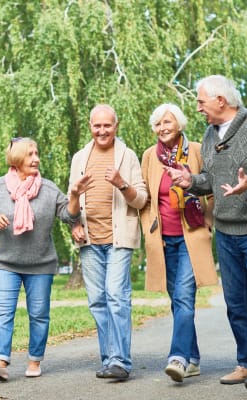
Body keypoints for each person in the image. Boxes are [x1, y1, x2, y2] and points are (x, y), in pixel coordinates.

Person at [164, 75, 247, 393]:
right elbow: (212, 179)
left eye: (201, 101)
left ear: (220, 101)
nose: (198, 108)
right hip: (226, 230)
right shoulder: (210, 134)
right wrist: (191, 181)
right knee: (235, 301)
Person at [0, 137, 92, 382]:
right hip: (4, 262)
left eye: (37, 153)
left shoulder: (48, 189)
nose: (36, 158)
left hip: (40, 264)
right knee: (2, 312)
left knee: (39, 313)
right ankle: (0, 361)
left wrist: (73, 196)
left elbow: (69, 216)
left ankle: (34, 359)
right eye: (30, 154)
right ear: (17, 159)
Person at [68, 104, 147, 380]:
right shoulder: (79, 158)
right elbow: (71, 204)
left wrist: (122, 184)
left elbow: (141, 200)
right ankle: (109, 359)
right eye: (97, 125)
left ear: (116, 126)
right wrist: (74, 223)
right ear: (91, 126)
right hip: (89, 239)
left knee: (116, 295)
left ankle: (121, 361)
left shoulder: (127, 156)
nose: (102, 130)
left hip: (118, 238)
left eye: (107, 125)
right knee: (97, 301)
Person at [140, 104, 218, 383]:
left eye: (167, 122)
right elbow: (146, 197)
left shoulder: (196, 150)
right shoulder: (150, 156)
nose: (162, 127)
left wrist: (208, 220)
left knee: (184, 297)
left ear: (180, 124)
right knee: (177, 301)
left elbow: (211, 184)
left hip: (191, 235)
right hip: (162, 239)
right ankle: (193, 357)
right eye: (158, 123)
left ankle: (178, 358)